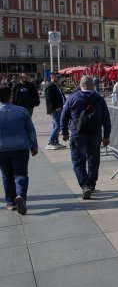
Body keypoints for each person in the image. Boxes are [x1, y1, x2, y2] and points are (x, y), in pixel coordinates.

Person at [61, 75, 112, 200]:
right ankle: (91, 184)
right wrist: (106, 135)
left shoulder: (72, 98)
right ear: (92, 85)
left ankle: (84, 185)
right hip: (95, 133)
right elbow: (106, 119)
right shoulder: (99, 99)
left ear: (80, 85)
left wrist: (64, 132)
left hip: (78, 133)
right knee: (93, 160)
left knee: (78, 161)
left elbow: (64, 115)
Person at [0, 85, 38, 213]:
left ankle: (10, 202)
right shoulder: (22, 111)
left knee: (6, 175)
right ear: (10, 96)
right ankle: (21, 195)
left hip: (2, 148)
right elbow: (31, 130)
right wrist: (34, 146)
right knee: (21, 174)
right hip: (20, 147)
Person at [44, 75, 67, 149]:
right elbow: (49, 98)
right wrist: (56, 107)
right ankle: (50, 142)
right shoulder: (50, 86)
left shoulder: (55, 85)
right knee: (58, 126)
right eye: (57, 77)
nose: (59, 79)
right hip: (55, 109)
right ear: (53, 77)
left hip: (59, 109)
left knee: (56, 126)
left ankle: (55, 142)